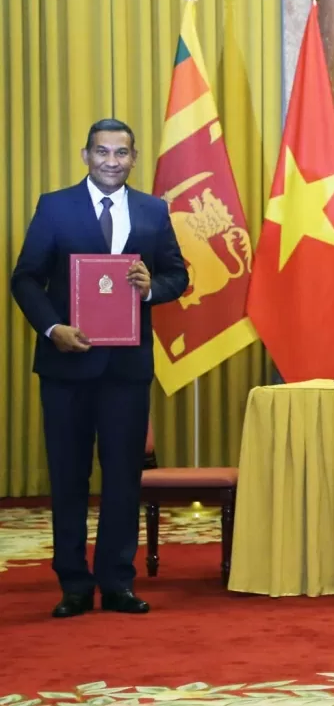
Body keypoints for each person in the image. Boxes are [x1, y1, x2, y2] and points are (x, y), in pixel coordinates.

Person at [10, 119, 190, 617]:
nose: (112, 161)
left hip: (127, 368)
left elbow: (179, 275)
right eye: (102, 152)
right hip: (66, 364)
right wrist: (52, 329)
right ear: (86, 155)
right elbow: (25, 279)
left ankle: (116, 581)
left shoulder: (154, 211)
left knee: (122, 478)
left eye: (122, 153)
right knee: (68, 476)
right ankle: (72, 583)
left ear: (135, 158)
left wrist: (151, 286)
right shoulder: (55, 206)